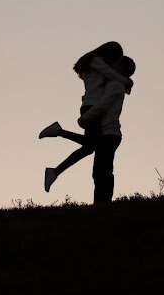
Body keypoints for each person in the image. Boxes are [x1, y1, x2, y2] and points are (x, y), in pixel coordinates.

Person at [39, 45, 135, 202]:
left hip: (91, 106)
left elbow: (111, 79)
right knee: (92, 147)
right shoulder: (97, 62)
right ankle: (57, 151)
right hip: (93, 106)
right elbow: (112, 76)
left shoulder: (94, 65)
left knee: (91, 147)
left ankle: (56, 158)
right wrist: (127, 82)